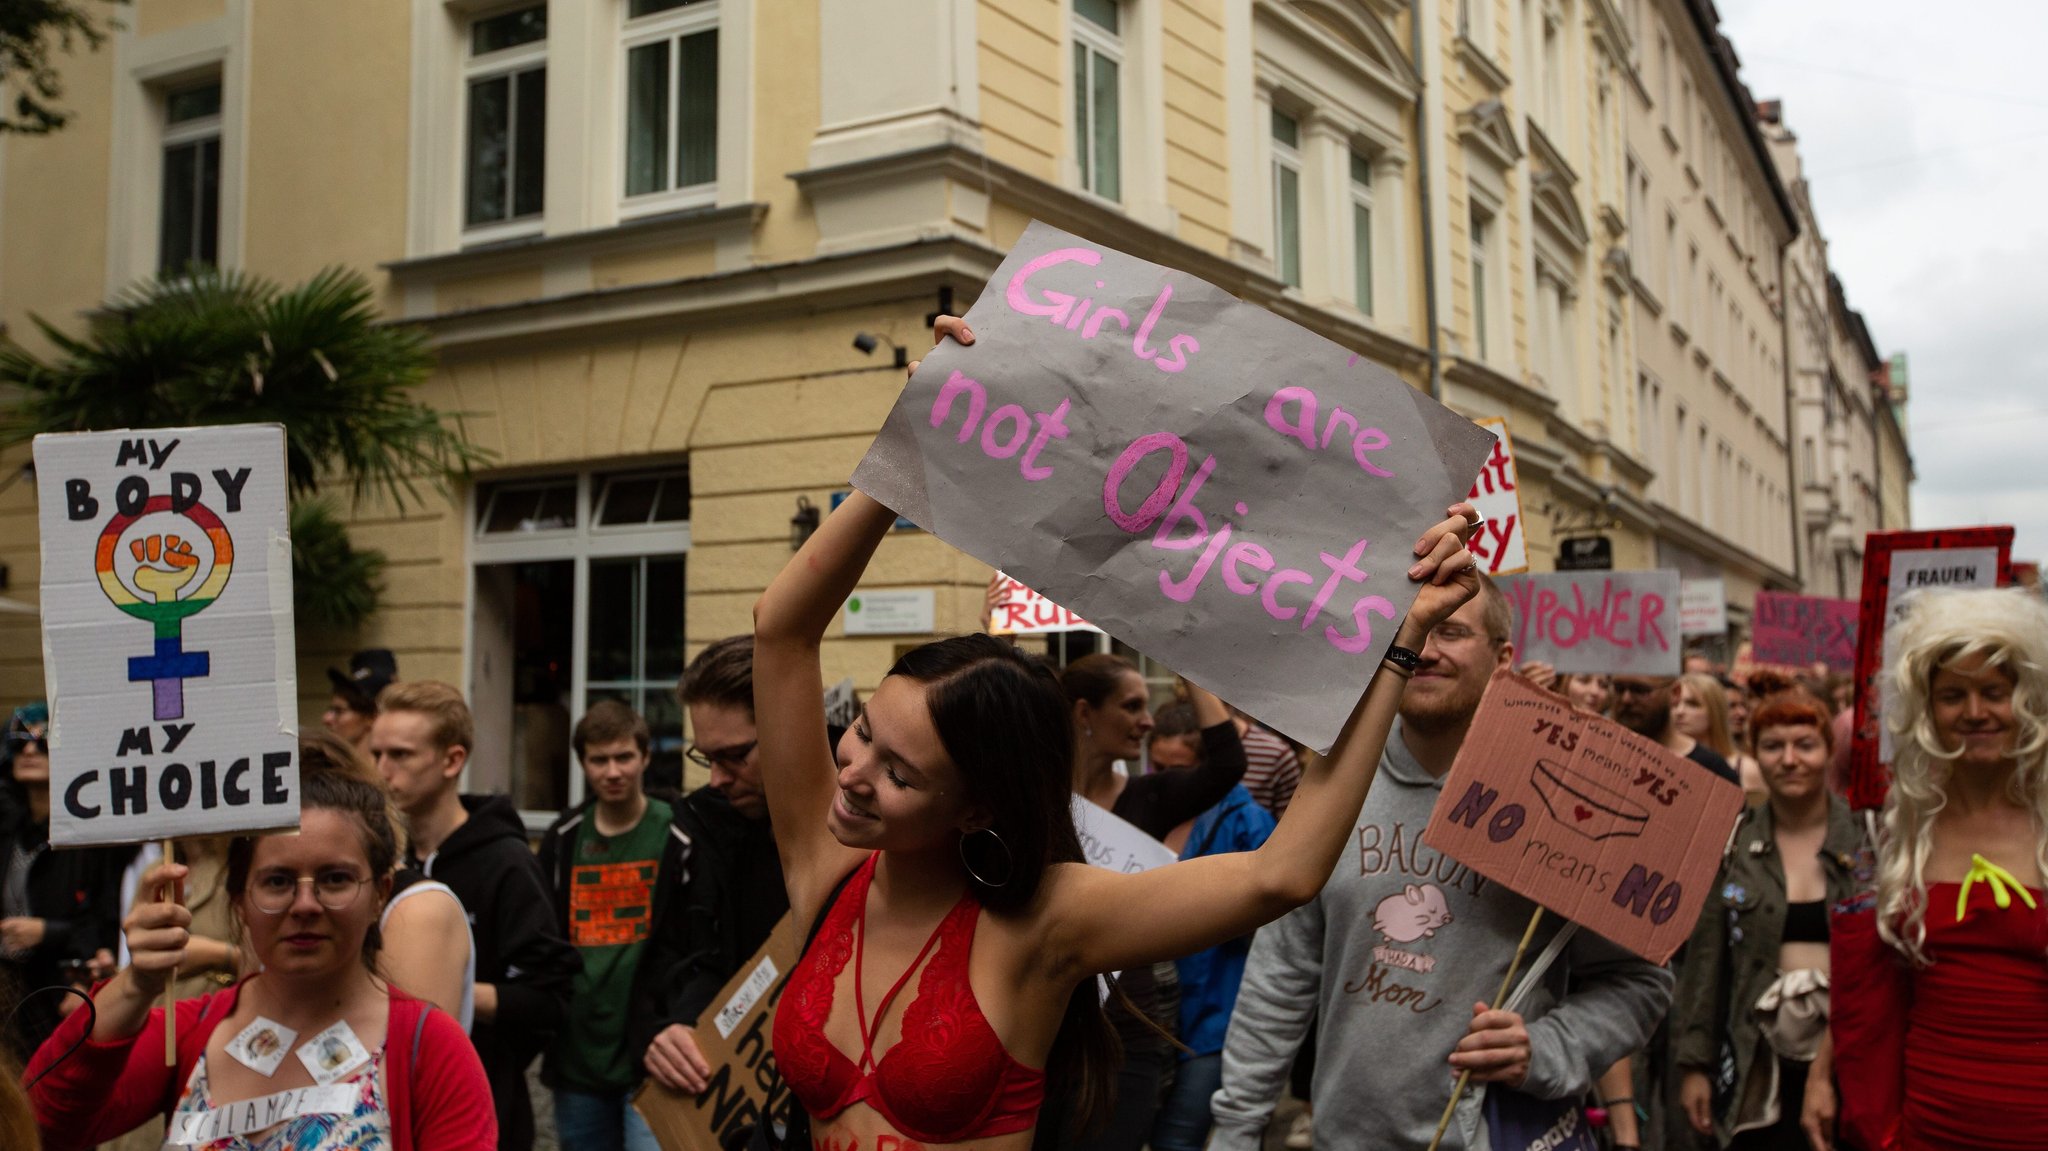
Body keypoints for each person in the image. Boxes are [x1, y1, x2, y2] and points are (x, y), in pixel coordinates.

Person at [750, 314, 1481, 1150]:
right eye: (862, 734)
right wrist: (910, 442)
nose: (851, 771)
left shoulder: (1046, 921)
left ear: (977, 807)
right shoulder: (824, 862)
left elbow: (1283, 873)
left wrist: (1399, 638)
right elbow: (781, 632)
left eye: (900, 772)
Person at [1210, 577, 1674, 1151]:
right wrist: (1235, 1129)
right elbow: (1280, 976)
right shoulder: (1332, 792)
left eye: (1451, 632)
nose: (1426, 651)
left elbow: (1641, 981)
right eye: (1411, 633)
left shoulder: (1564, 805)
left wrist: (1548, 1045)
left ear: (1503, 659)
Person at [22, 759, 495, 1150]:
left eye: (335, 879)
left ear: (379, 894)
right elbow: (41, 1125)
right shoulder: (188, 1033)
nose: (305, 905)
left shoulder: (430, 1048)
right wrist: (137, 982)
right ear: (239, 901)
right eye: (277, 881)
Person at [1815, 587, 2048, 1151]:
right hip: (1930, 1119)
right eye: (1952, 696)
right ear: (1926, 710)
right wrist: (1823, 1073)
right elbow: (1871, 979)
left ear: (2028, 698)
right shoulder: (1899, 829)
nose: (1975, 713)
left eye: (1994, 691)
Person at [373, 680, 579, 1151]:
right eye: (377, 753)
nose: (382, 771)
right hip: (385, 1107)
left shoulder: (505, 862)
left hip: (483, 1109)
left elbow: (552, 997)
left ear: (452, 761)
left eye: (401, 755)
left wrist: (455, 990)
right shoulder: (375, 862)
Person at [1056, 660, 1248, 1150]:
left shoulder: (1151, 796)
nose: (1147, 720)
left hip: (1127, 1028)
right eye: (1132, 706)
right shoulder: (1037, 799)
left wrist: (1190, 661)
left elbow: (1227, 763)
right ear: (1084, 712)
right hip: (1047, 1018)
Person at [1670, 689, 1864, 1149]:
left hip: (1850, 1055)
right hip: (1757, 1057)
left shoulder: (1867, 838)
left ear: (1828, 751)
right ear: (1755, 754)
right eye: (1774, 746)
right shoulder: (1735, 840)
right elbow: (1707, 960)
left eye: (1805, 745)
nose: (1790, 760)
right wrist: (1695, 1064)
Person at [630, 635, 791, 1097]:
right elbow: (682, 955)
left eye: (736, 756)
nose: (717, 779)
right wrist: (670, 1029)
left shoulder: (865, 827)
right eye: (706, 757)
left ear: (790, 726)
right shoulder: (704, 821)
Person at [538, 701, 674, 1151]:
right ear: (583, 764)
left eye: (624, 757)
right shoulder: (563, 838)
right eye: (599, 760)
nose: (612, 771)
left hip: (651, 1053)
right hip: (578, 1056)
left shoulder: (675, 831)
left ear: (645, 757)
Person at [1145, 706, 1277, 1151]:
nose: (1165, 778)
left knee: (1176, 1141)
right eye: (1156, 767)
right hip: (1151, 1017)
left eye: (1177, 769)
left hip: (1215, 1015)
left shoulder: (1249, 823)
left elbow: (1272, 929)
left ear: (1207, 768)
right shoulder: (1147, 807)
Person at [0, 703, 127, 1062]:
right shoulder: (11, 832)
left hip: (61, 994)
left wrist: (47, 932)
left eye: (42, 744)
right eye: (19, 742)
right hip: (10, 992)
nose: (28, 750)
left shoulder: (88, 838)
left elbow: (104, 920)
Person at [1675, 674, 1764, 801]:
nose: (1679, 711)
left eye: (1692, 704)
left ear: (1715, 710)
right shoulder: (1663, 761)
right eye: (1674, 704)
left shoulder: (1745, 769)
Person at [324, 648, 398, 755]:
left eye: (339, 711)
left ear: (372, 718)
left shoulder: (393, 770)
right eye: (331, 709)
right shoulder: (332, 768)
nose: (326, 718)